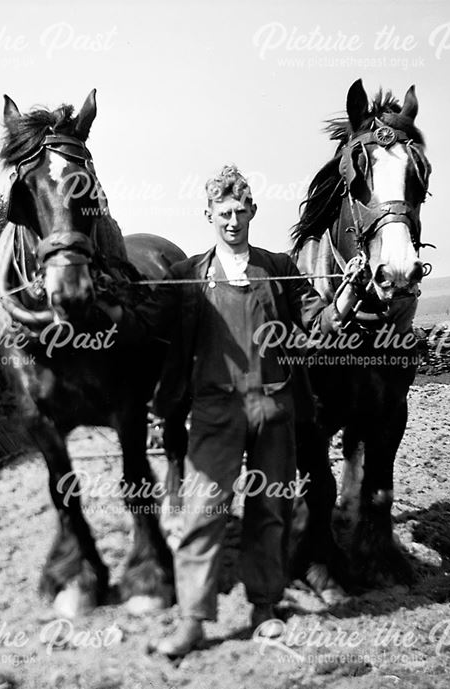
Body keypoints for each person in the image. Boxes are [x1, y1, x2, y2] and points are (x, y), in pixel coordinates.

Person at [122, 165, 356, 657]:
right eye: (223, 213)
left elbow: (320, 320)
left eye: (240, 211)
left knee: (269, 510)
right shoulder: (187, 277)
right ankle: (192, 621)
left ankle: (264, 606)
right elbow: (145, 322)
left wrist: (349, 294)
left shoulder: (278, 267)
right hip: (214, 412)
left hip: (273, 410)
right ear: (208, 215)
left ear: (253, 211)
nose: (232, 220)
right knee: (203, 515)